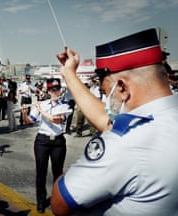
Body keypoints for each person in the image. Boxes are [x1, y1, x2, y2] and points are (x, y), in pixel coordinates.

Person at [51, 28, 178, 215]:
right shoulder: (163, 117)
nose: (106, 98)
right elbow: (107, 120)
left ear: (122, 87)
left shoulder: (125, 145)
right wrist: (70, 74)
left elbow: (60, 202)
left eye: (105, 91)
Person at [22, 78, 71, 214]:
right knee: (41, 172)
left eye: (57, 89)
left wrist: (40, 111)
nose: (55, 92)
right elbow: (28, 121)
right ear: (48, 91)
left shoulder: (65, 106)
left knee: (58, 173)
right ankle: (41, 202)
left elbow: (57, 120)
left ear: (60, 90)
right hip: (42, 141)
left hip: (58, 142)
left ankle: (57, 201)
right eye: (52, 90)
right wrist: (25, 112)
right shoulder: (41, 104)